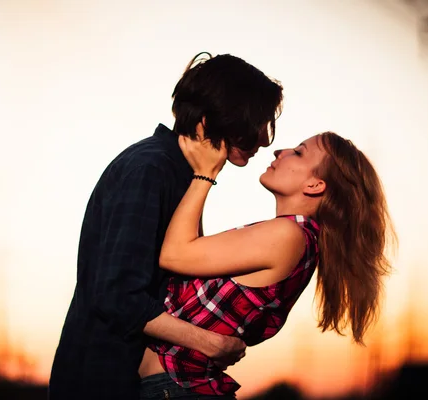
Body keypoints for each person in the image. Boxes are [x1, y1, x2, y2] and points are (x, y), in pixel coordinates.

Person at [47, 52, 284, 399]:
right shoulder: (150, 169)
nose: (264, 139)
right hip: (105, 381)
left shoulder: (178, 173)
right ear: (211, 119)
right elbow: (117, 297)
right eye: (255, 123)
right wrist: (209, 342)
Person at [138, 128, 397, 398]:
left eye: (298, 153)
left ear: (315, 185)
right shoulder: (298, 239)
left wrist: (205, 174)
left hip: (177, 390)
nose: (279, 151)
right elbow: (191, 255)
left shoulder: (287, 236)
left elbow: (174, 255)